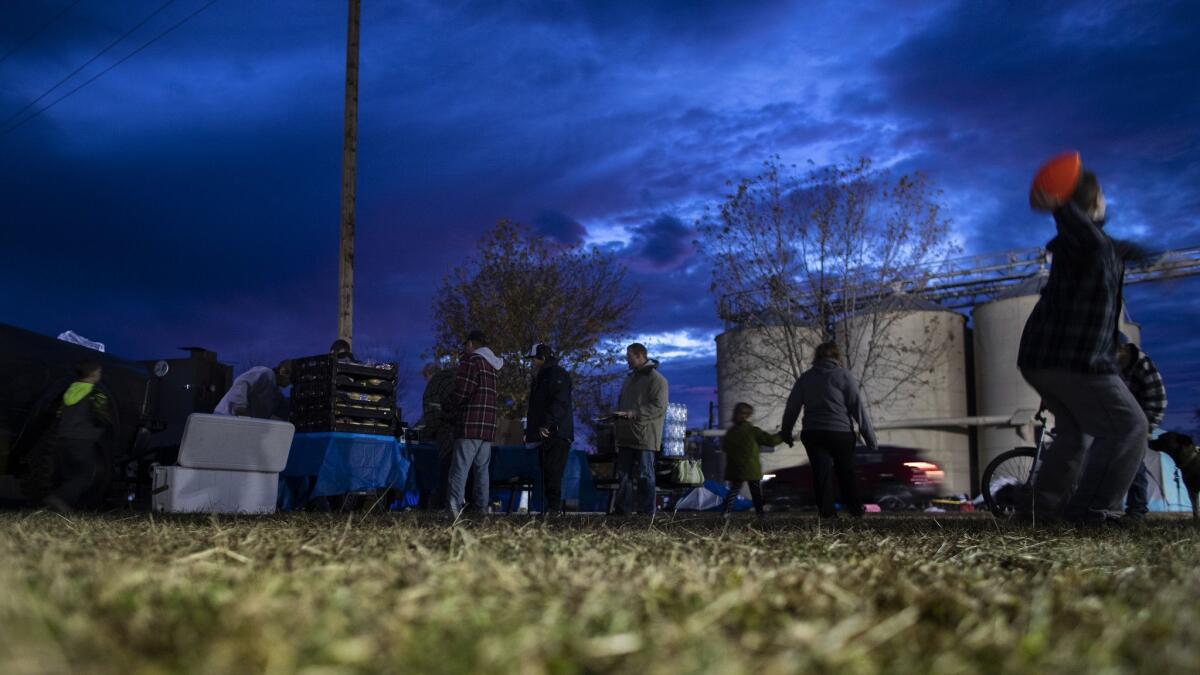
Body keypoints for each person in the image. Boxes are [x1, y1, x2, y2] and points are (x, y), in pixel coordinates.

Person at [1018, 169, 1147, 525]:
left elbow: (1121, 247)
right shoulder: (1086, 240)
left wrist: (1155, 257)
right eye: (1101, 195)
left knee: (1075, 434)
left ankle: (1037, 512)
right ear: (1091, 202)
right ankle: (1092, 510)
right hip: (1075, 359)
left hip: (1041, 359)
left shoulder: (1100, 247)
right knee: (1129, 426)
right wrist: (1060, 201)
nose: (1106, 200)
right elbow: (1079, 227)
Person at [781, 341, 875, 519]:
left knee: (821, 473)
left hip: (814, 432)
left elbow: (792, 407)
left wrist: (786, 432)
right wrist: (869, 437)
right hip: (840, 432)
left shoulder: (805, 378)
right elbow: (857, 407)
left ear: (816, 357)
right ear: (837, 357)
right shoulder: (844, 376)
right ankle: (855, 510)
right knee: (845, 471)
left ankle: (827, 513)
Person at [24, 361, 113, 512]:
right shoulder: (96, 393)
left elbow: (59, 414)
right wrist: (103, 428)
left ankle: (62, 507)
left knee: (67, 476)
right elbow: (102, 416)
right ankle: (59, 499)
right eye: (99, 372)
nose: (100, 374)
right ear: (93, 374)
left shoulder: (68, 391)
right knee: (84, 476)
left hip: (62, 438)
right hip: (82, 440)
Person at [444, 330, 504, 515]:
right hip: (487, 426)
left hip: (470, 424)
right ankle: (481, 510)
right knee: (482, 471)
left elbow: (462, 391)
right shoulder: (492, 366)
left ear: (470, 344)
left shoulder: (471, 361)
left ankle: (454, 510)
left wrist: (447, 405)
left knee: (460, 469)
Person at [613, 343, 668, 515]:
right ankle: (623, 511)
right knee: (623, 475)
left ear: (639, 355)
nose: (626, 359)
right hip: (626, 434)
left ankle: (646, 512)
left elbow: (659, 407)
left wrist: (634, 413)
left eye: (628, 356)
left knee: (645, 475)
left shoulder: (657, 379)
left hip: (645, 436)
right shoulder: (630, 378)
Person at [1118, 337, 1166, 519]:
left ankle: (1137, 509)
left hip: (1140, 421)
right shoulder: (1114, 367)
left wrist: (1147, 427)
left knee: (1134, 463)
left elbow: (1158, 399)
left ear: (1122, 349)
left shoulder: (1142, 365)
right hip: (1118, 420)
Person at [523, 344, 573, 513]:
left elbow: (560, 401)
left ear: (542, 358)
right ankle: (551, 509)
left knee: (553, 473)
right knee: (548, 472)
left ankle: (554, 509)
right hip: (549, 433)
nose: (532, 363)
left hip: (556, 433)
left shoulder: (555, 375)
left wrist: (547, 423)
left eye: (534, 359)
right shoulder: (545, 376)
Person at [720, 402, 783, 518]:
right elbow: (770, 441)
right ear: (748, 415)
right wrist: (783, 435)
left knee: (734, 490)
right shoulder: (753, 431)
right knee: (756, 492)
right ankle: (760, 513)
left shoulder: (731, 432)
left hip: (736, 467)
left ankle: (726, 512)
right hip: (751, 467)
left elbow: (725, 447)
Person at [419, 361, 457, 508]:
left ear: (428, 375)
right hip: (464, 434)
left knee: (445, 474)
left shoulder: (433, 386)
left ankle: (442, 507)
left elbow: (433, 418)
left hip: (447, 437)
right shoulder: (454, 380)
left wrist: (424, 434)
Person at [213, 360, 292, 419]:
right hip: (226, 416)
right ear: (282, 371)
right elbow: (242, 382)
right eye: (289, 376)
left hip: (242, 425)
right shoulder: (266, 373)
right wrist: (240, 405)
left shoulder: (277, 394)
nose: (289, 382)